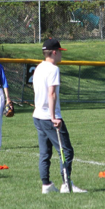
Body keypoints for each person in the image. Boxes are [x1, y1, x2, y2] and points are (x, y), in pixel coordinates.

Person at [32, 38, 86, 194]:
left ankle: (46, 185)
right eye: (60, 52)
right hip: (50, 117)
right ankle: (66, 184)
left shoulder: (39, 68)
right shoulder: (53, 69)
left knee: (45, 153)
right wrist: (53, 117)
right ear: (54, 52)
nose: (61, 55)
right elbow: (51, 93)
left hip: (38, 116)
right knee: (66, 150)